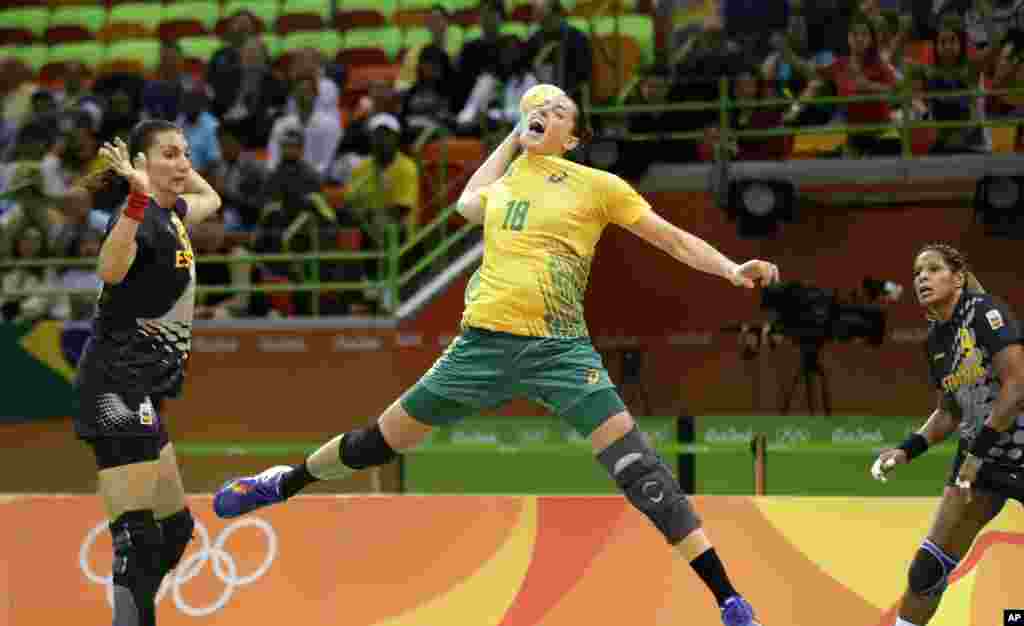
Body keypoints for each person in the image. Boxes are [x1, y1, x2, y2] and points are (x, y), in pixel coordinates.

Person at [213, 85, 777, 626]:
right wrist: (511, 141)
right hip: (480, 345)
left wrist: (731, 268)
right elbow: (463, 205)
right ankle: (281, 483)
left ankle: (729, 600)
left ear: (572, 139)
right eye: (536, 107)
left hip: (561, 352)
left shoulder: (599, 186)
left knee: (641, 470)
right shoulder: (503, 187)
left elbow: (672, 238)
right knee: (376, 445)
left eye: (557, 111)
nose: (544, 112)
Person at [73, 120, 221, 626]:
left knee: (174, 528)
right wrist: (137, 195)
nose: (183, 163)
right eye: (170, 155)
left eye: (185, 154)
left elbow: (214, 200)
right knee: (135, 539)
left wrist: (174, 171)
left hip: (142, 391)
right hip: (114, 386)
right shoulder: (140, 218)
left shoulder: (173, 213)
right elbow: (110, 270)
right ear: (140, 164)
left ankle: (135, 615)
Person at [871, 243, 1024, 626]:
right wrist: (906, 451)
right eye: (917, 272)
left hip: (1012, 449)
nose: (921, 277)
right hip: (979, 461)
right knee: (927, 570)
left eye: (933, 269)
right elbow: (948, 412)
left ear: (957, 278)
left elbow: (1016, 387)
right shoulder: (936, 340)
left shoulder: (986, 312)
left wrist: (976, 457)